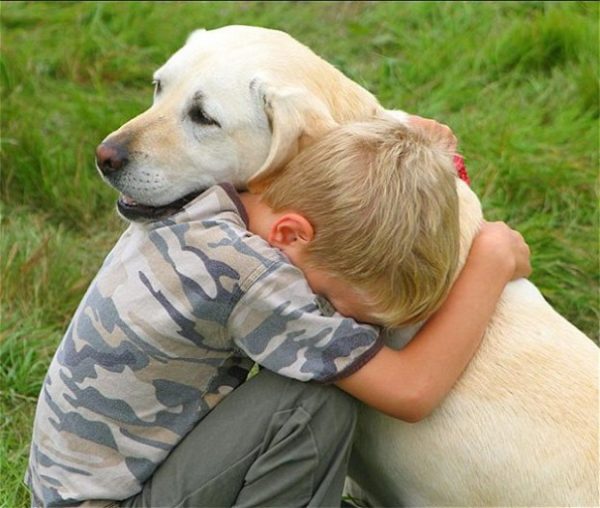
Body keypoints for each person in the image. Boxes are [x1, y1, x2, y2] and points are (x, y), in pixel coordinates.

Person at [26, 118, 531, 507]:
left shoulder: (213, 196)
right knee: (312, 403)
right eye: (333, 304)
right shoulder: (253, 278)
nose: (338, 321)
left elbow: (326, 158)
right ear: (291, 235)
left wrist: (405, 145)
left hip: (72, 490)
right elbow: (411, 391)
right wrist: (490, 260)